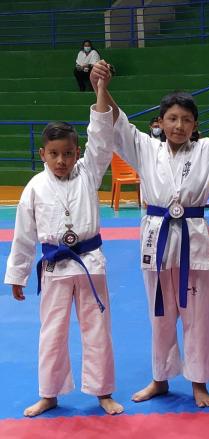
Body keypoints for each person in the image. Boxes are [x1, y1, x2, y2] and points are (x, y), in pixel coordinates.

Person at [90, 60, 209, 408]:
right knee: (160, 313)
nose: (179, 125)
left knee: (197, 315)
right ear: (160, 122)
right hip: (156, 240)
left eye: (186, 119)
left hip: (193, 241)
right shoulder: (145, 148)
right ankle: (160, 378)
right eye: (172, 118)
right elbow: (118, 123)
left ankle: (199, 381)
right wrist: (102, 87)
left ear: (196, 124)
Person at [4, 70, 123, 417]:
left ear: (77, 152)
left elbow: (102, 135)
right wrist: (18, 274)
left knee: (97, 329)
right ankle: (50, 393)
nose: (61, 161)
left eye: (68, 154)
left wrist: (101, 88)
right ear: (42, 153)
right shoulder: (34, 188)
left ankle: (103, 391)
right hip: (55, 266)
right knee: (52, 332)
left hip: (90, 263)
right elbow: (23, 235)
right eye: (54, 154)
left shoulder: (89, 171)